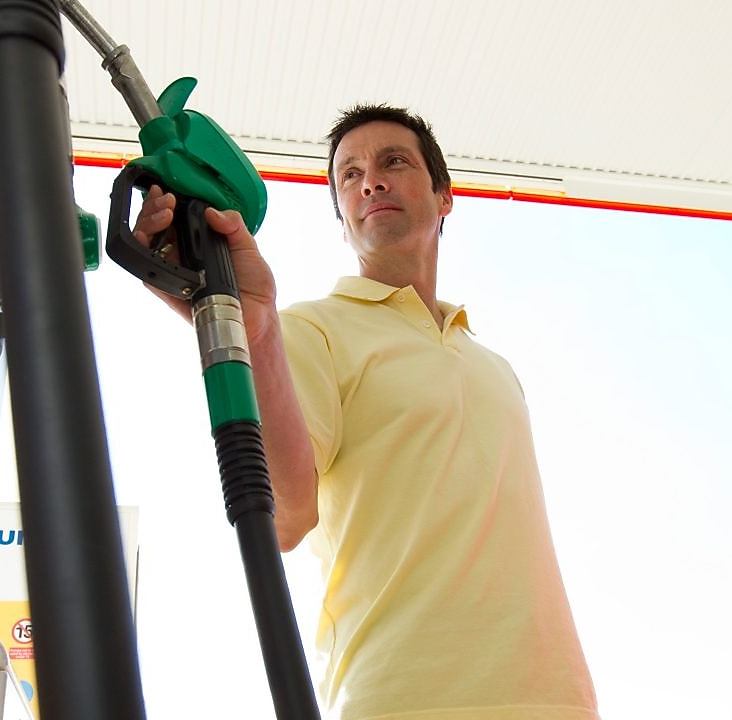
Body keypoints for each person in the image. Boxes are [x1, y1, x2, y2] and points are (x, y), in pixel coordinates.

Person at [134, 105, 598, 719]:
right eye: (349, 175)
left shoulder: (495, 367)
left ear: (444, 197)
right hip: (403, 700)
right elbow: (283, 518)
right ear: (343, 218)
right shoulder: (312, 330)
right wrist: (256, 329)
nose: (370, 182)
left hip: (558, 702)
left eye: (393, 162)